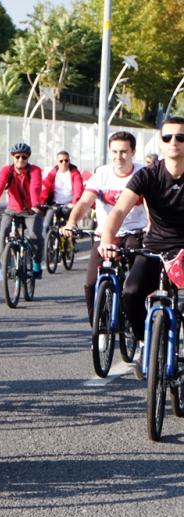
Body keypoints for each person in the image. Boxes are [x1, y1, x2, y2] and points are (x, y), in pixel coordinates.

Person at [99, 116, 184, 373]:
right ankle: (145, 340)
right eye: (168, 137)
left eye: (181, 137)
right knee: (131, 292)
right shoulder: (147, 175)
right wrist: (106, 240)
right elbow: (119, 210)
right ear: (160, 141)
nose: (174, 142)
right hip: (155, 248)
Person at [61, 132, 145, 322]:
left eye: (124, 152)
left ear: (133, 152)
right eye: (114, 152)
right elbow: (83, 203)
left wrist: (150, 227)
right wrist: (72, 222)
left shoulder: (142, 174)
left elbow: (150, 206)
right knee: (91, 284)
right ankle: (98, 327)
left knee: (136, 285)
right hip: (105, 236)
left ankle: (135, 322)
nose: (119, 157)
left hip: (134, 234)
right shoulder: (102, 175)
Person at [0, 142, 45, 278]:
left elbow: (35, 188)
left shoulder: (35, 171)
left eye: (24, 157)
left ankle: (36, 263)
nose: (20, 160)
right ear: (13, 157)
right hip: (12, 209)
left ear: (28, 158)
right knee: (2, 233)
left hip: (31, 210)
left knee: (35, 236)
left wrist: (35, 205)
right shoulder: (6, 171)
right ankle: (6, 263)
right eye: (17, 157)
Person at [40, 150, 84, 231]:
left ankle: (70, 241)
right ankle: (47, 242)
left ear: (69, 161)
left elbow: (79, 189)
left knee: (70, 228)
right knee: (45, 225)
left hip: (69, 204)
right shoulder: (53, 173)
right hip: (54, 204)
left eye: (66, 160)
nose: (64, 163)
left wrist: (74, 203)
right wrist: (41, 202)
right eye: (61, 161)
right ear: (57, 162)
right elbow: (45, 187)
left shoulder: (75, 173)